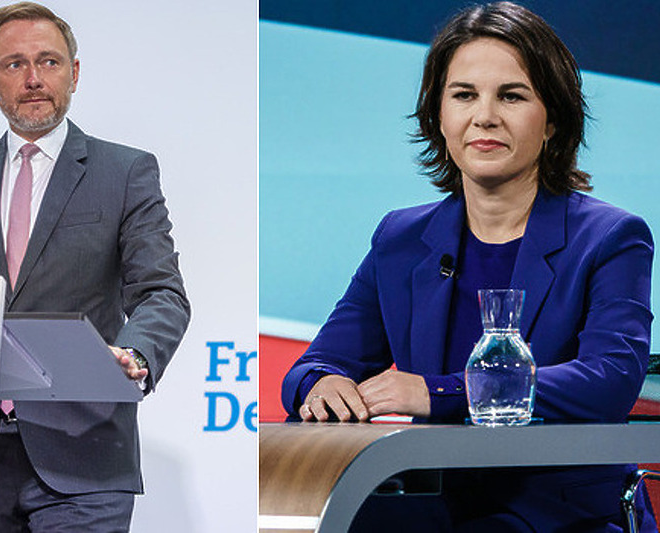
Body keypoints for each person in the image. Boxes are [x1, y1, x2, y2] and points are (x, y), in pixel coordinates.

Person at [281, 2, 655, 531]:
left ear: (552, 120)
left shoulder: (610, 237)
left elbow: (610, 378)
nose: (484, 116)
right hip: (429, 498)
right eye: (463, 95)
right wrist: (321, 386)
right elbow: (314, 366)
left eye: (511, 95)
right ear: (439, 115)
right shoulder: (401, 239)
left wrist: (437, 392)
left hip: (558, 512)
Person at [0, 2, 190, 531]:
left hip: (85, 456)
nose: (32, 79)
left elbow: (162, 292)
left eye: (48, 62)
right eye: (13, 64)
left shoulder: (124, 171)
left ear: (75, 72)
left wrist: (135, 352)